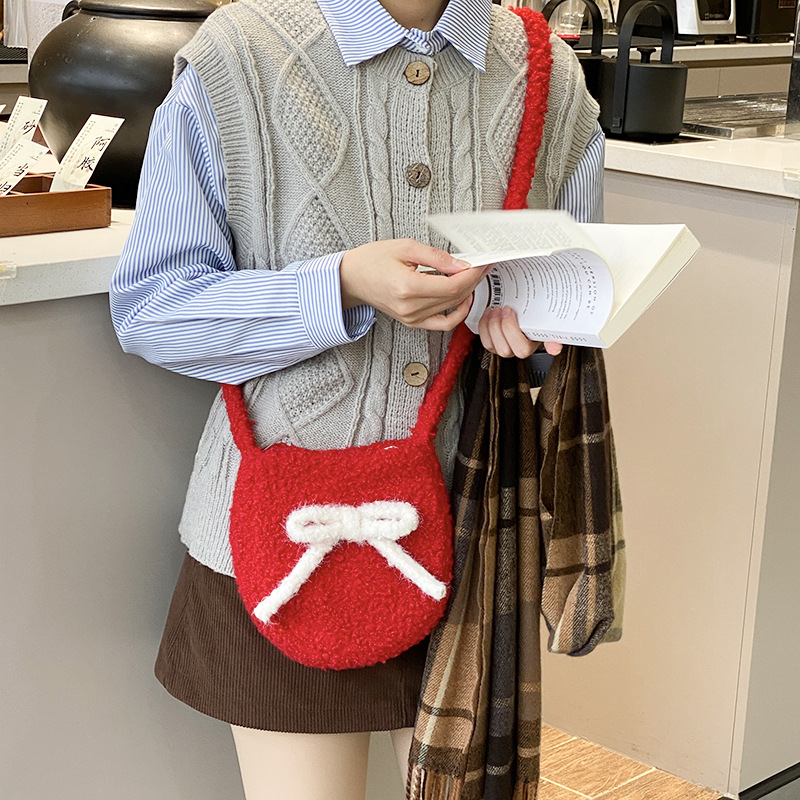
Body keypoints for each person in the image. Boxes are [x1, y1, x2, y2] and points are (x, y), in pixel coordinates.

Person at [109, 0, 604, 797]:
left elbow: (569, 298)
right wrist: (338, 286)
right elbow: (154, 309)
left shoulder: (548, 73)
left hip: (475, 530)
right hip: (283, 543)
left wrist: (540, 332)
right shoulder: (240, 54)